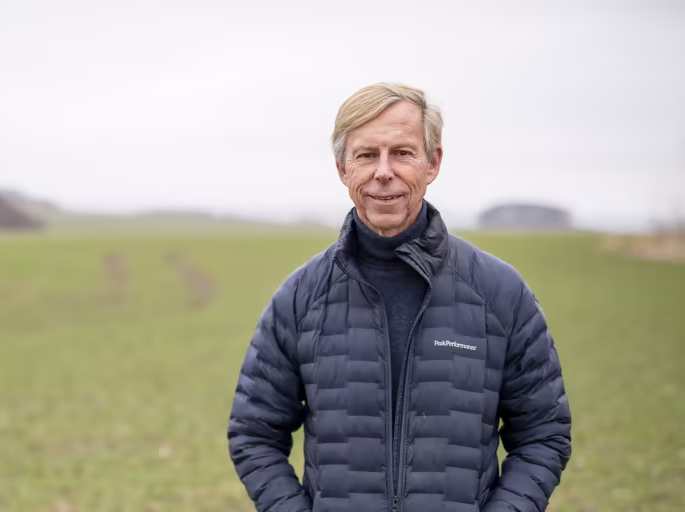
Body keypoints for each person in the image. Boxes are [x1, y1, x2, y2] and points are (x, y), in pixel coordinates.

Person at [227, 82, 571, 512]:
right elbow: (254, 433)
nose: (383, 171)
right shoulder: (300, 298)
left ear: (433, 163)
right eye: (366, 155)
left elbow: (543, 435)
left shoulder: (500, 292)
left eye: (402, 153)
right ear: (342, 169)